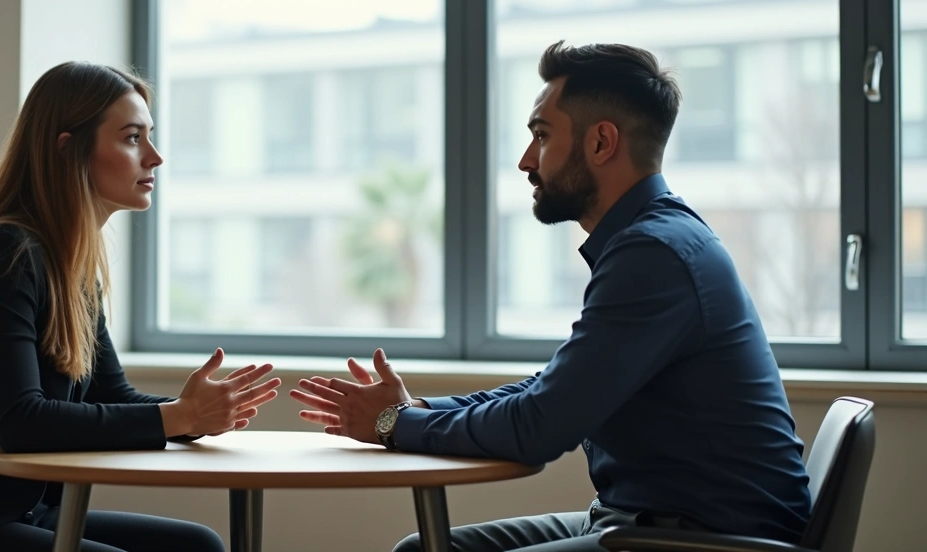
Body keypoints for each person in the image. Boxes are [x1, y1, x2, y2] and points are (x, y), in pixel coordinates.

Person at [291, 41, 812, 552]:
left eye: (541, 136)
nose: (524, 161)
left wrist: (393, 424)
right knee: (419, 548)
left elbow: (540, 426)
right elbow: (553, 388)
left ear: (602, 143)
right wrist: (417, 409)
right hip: (642, 521)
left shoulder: (653, 255)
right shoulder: (650, 241)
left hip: (702, 539)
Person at [0, 62, 280, 552]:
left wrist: (192, 412)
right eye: (132, 138)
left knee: (197, 546)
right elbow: (22, 422)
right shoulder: (3, 252)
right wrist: (178, 419)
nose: (156, 157)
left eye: (150, 137)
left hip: (21, 513)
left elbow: (112, 394)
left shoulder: (72, 269)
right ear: (68, 150)